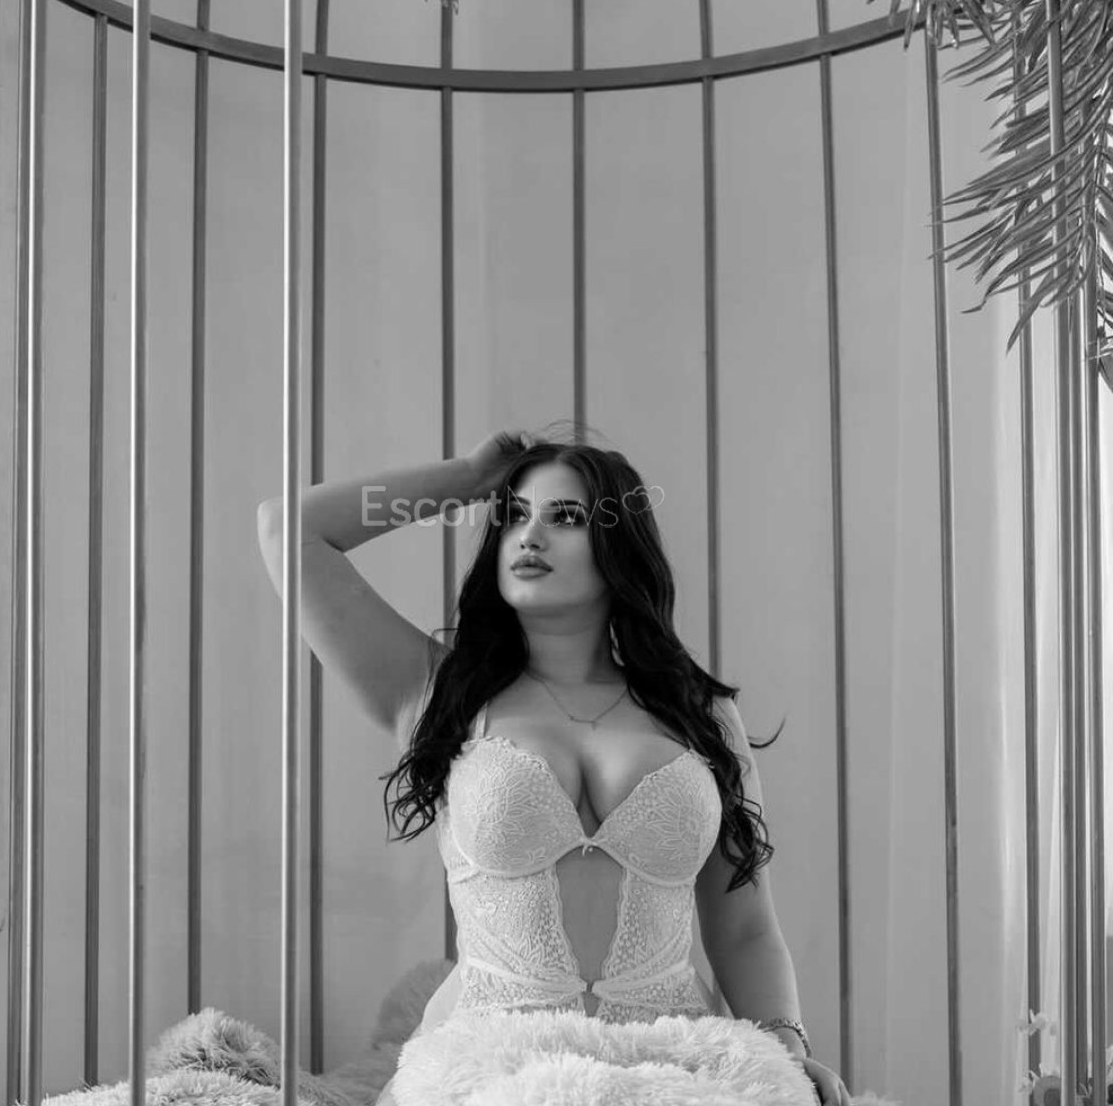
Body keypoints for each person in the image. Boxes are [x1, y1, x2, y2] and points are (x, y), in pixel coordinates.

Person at [256, 428, 852, 1106]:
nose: (529, 536)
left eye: (565, 517)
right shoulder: (437, 692)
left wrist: (787, 1049)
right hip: (485, 1069)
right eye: (514, 516)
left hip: (674, 1066)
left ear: (619, 544)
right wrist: (466, 479)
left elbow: (744, 928)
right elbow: (289, 529)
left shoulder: (701, 713)